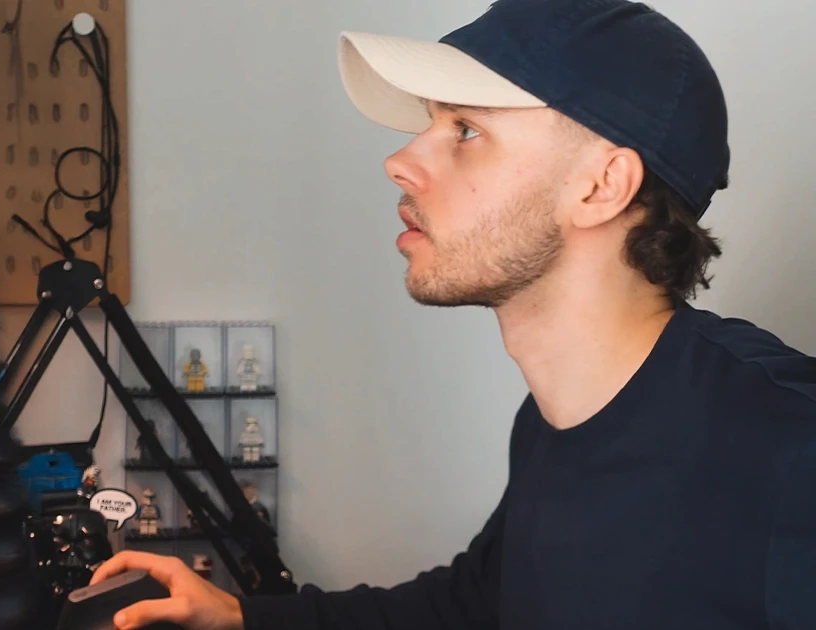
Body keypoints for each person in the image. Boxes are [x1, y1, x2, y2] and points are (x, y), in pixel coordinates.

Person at [88, 0, 816, 629]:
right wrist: (243, 616)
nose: (399, 162)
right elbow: (474, 606)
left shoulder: (787, 453)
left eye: (467, 130)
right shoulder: (550, 424)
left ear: (601, 186)